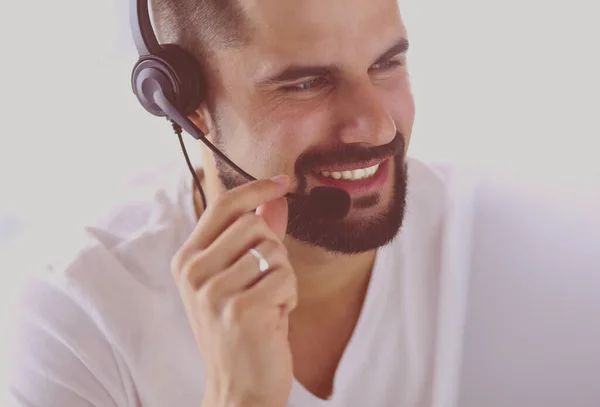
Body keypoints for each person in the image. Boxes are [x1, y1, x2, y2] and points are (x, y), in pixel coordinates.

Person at [6, 0, 600, 406]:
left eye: (386, 64)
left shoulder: (531, 247)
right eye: (306, 83)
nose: (373, 124)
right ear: (187, 110)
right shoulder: (73, 320)